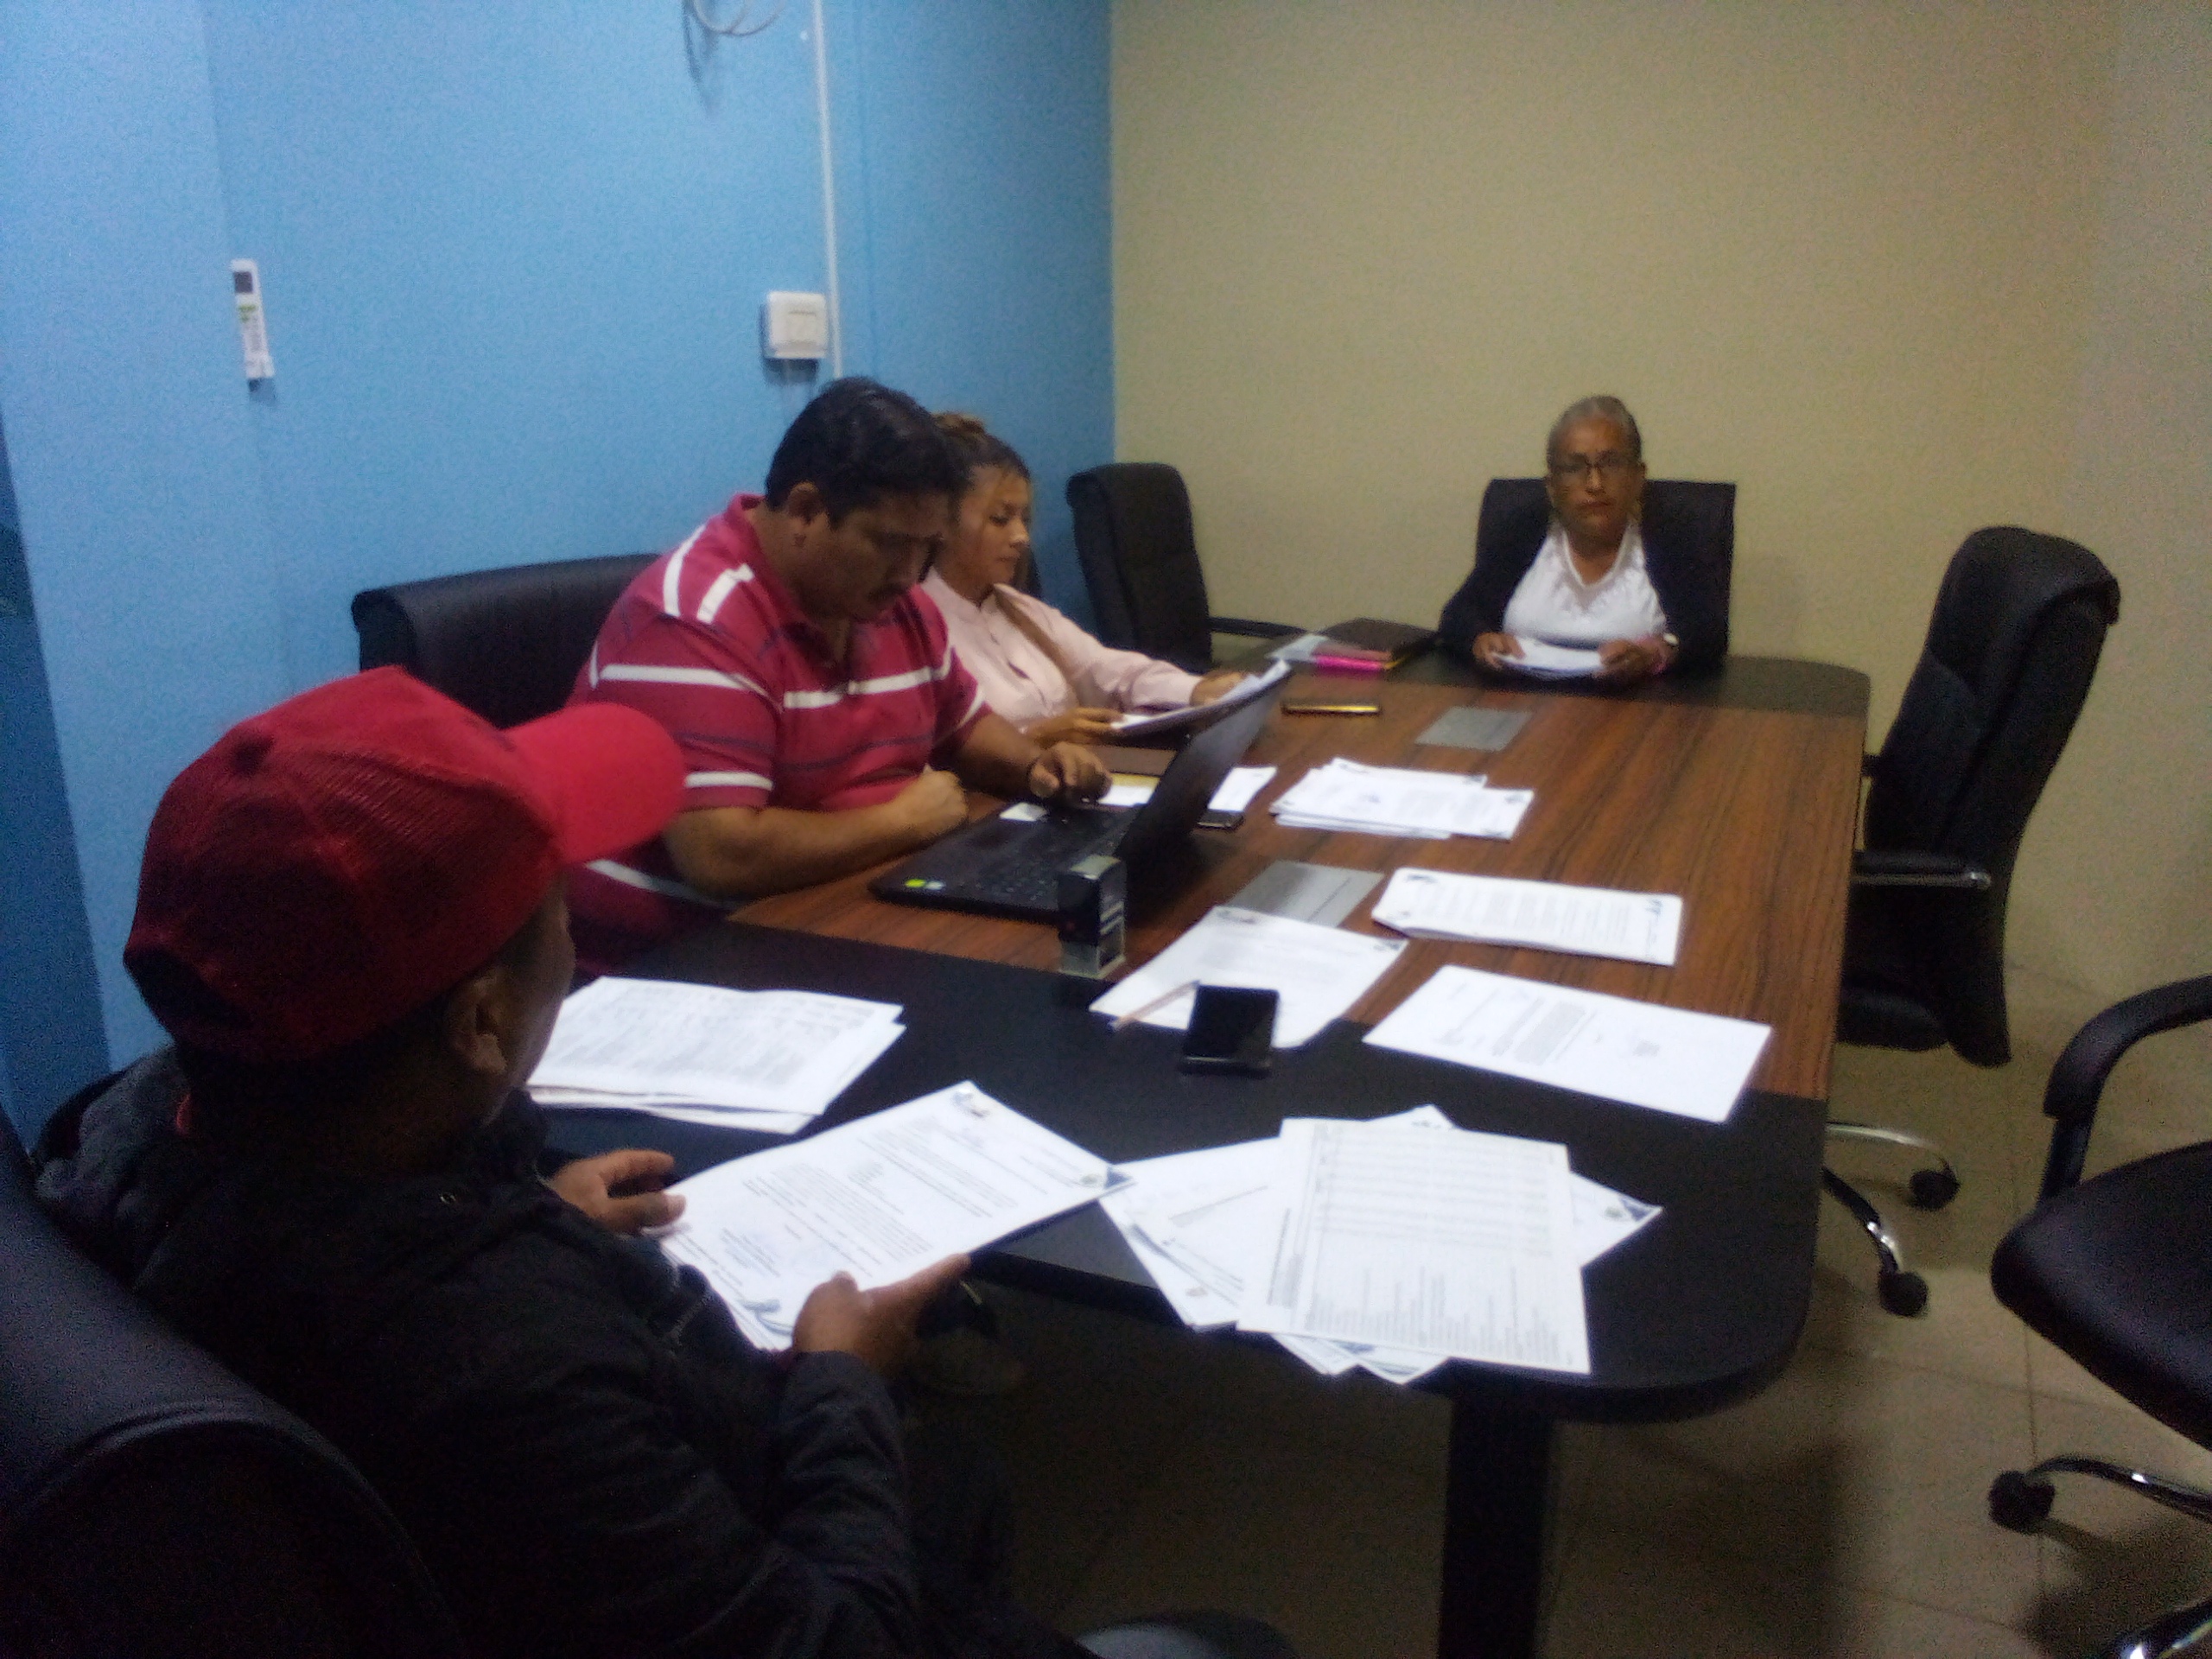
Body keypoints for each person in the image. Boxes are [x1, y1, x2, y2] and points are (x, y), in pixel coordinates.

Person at [32, 667, 1225, 1659]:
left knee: (956, 1483)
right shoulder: (504, 1372)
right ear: (481, 1021)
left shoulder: (134, 1134)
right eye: (557, 900)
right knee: (963, 1493)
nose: (574, 927)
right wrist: (841, 1381)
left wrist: (517, 1210)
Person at [566, 379, 1109, 975]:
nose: (910, 573)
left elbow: (962, 723)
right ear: (805, 511)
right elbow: (721, 854)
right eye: (890, 543)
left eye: (926, 547)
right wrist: (897, 824)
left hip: (841, 908)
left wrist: (1034, 766)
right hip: (683, 959)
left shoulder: (893, 604)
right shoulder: (696, 617)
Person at [920, 413, 1248, 745]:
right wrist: (1033, 739)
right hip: (1005, 779)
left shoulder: (1016, 609)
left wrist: (1196, 690)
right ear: (940, 521)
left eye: (1025, 519)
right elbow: (923, 754)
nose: (1021, 537)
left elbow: (1107, 670)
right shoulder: (916, 628)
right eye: (1000, 519)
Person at [1437, 395, 1726, 682]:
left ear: (1638, 478)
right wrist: (1480, 640)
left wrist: (1657, 652)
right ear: (1552, 486)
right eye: (1575, 467)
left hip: (1637, 703)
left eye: (1611, 464)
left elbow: (1708, 635)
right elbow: (1458, 616)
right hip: (1521, 700)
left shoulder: (1669, 539)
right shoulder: (1522, 533)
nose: (1595, 484)